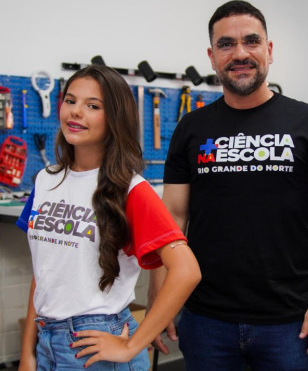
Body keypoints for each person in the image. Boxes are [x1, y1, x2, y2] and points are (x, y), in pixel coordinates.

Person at [148, 0, 308, 370]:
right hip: (205, 319)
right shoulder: (191, 128)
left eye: (251, 41)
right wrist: (159, 296)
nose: (240, 53)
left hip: (289, 321)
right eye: (226, 44)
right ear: (212, 57)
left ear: (269, 50)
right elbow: (172, 217)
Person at [16, 65, 201, 370]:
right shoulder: (45, 180)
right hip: (46, 342)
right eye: (70, 100)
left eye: (93, 106)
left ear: (115, 118)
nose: (76, 112)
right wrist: (28, 353)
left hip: (96, 343)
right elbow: (45, 270)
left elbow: (187, 271)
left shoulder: (131, 190)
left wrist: (131, 345)